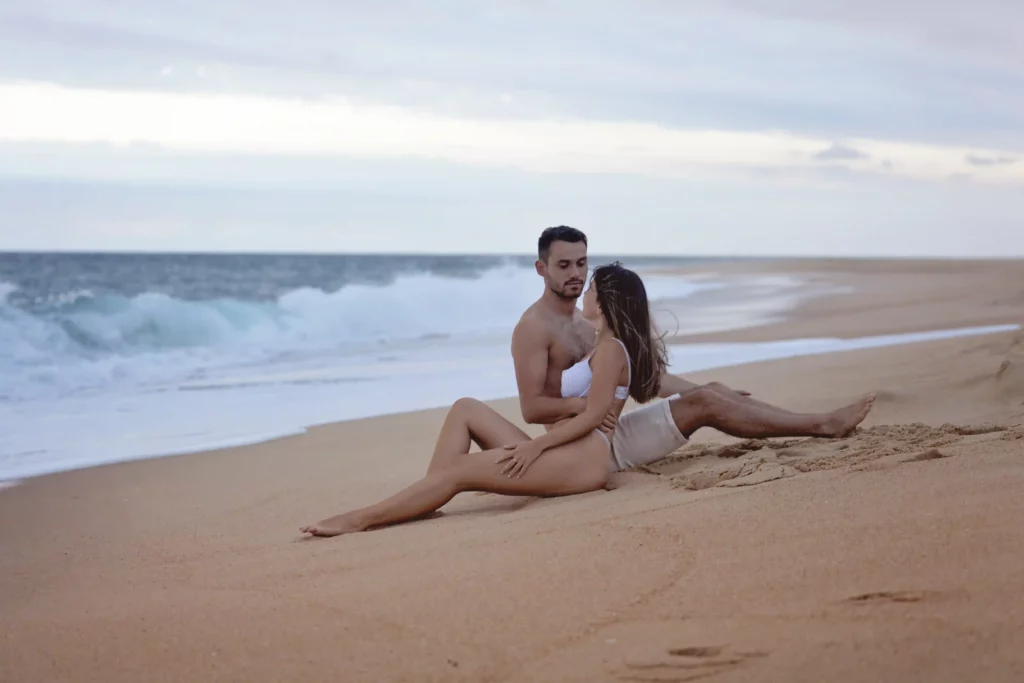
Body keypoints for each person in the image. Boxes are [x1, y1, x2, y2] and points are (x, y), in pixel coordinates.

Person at [300, 262, 667, 537]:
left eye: (590, 289)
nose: (583, 292)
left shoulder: (612, 351)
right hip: (568, 451)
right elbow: (585, 408)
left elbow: (594, 416)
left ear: (604, 302)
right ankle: (425, 499)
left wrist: (536, 447)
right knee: (466, 408)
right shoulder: (601, 345)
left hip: (582, 459)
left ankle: (359, 519)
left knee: (459, 470)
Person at [508, 226, 875, 472]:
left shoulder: (585, 322)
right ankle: (822, 425)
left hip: (605, 431)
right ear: (542, 268)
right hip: (586, 446)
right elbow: (532, 408)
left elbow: (638, 378)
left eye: (582, 263)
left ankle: (813, 420)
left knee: (710, 392)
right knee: (706, 403)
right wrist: (589, 407)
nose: (576, 273)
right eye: (564, 265)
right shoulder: (533, 329)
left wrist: (696, 389)